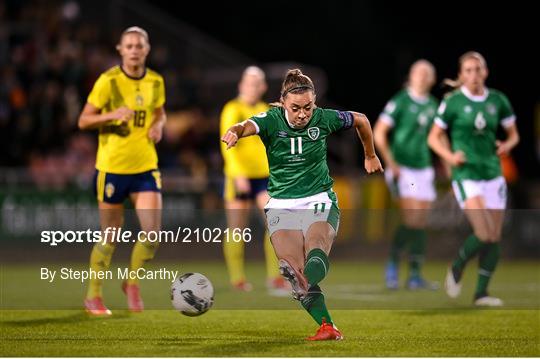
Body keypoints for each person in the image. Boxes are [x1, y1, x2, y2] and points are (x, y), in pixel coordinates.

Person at [221, 69, 383, 340]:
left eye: (308, 107)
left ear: (314, 102)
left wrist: (370, 154)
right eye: (295, 108)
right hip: (282, 204)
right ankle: (328, 326)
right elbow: (246, 125)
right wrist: (235, 132)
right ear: (283, 102)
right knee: (292, 273)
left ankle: (307, 282)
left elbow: (361, 120)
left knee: (315, 251)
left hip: (318, 198)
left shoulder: (323, 118)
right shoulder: (271, 120)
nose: (302, 114)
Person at [78, 26, 166, 315]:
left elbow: (159, 112)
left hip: (145, 166)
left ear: (147, 49)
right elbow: (83, 120)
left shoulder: (155, 81)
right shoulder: (108, 81)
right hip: (112, 168)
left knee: (152, 233)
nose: (134, 50)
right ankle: (93, 295)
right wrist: (112, 115)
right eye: (128, 46)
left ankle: (132, 283)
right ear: (120, 50)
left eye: (139, 45)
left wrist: (158, 126)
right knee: (111, 235)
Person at [428, 51, 519, 306]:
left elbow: (514, 135)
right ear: (461, 75)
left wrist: (507, 145)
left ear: (485, 72)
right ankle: (457, 266)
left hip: (493, 173)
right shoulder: (453, 102)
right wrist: (450, 156)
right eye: (468, 70)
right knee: (483, 232)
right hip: (466, 174)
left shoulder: (498, 100)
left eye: (478, 69)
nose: (474, 75)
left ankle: (481, 294)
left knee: (495, 236)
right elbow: (433, 137)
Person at [219, 66, 289, 294]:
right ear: (241, 85)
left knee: (275, 222)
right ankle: (237, 279)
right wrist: (238, 173)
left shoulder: (263, 110)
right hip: (238, 176)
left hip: (263, 176)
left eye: (256, 83)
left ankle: (274, 277)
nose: (252, 86)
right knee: (237, 227)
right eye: (248, 82)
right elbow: (227, 143)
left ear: (263, 87)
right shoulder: (232, 108)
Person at [374, 60, 440, 290]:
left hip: (424, 168)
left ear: (432, 79)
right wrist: (391, 162)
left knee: (420, 223)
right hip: (404, 168)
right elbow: (379, 132)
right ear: (410, 76)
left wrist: (449, 163)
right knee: (411, 219)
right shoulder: (401, 100)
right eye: (417, 72)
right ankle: (392, 264)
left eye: (426, 73)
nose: (421, 76)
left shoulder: (433, 104)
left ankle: (414, 275)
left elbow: (438, 136)